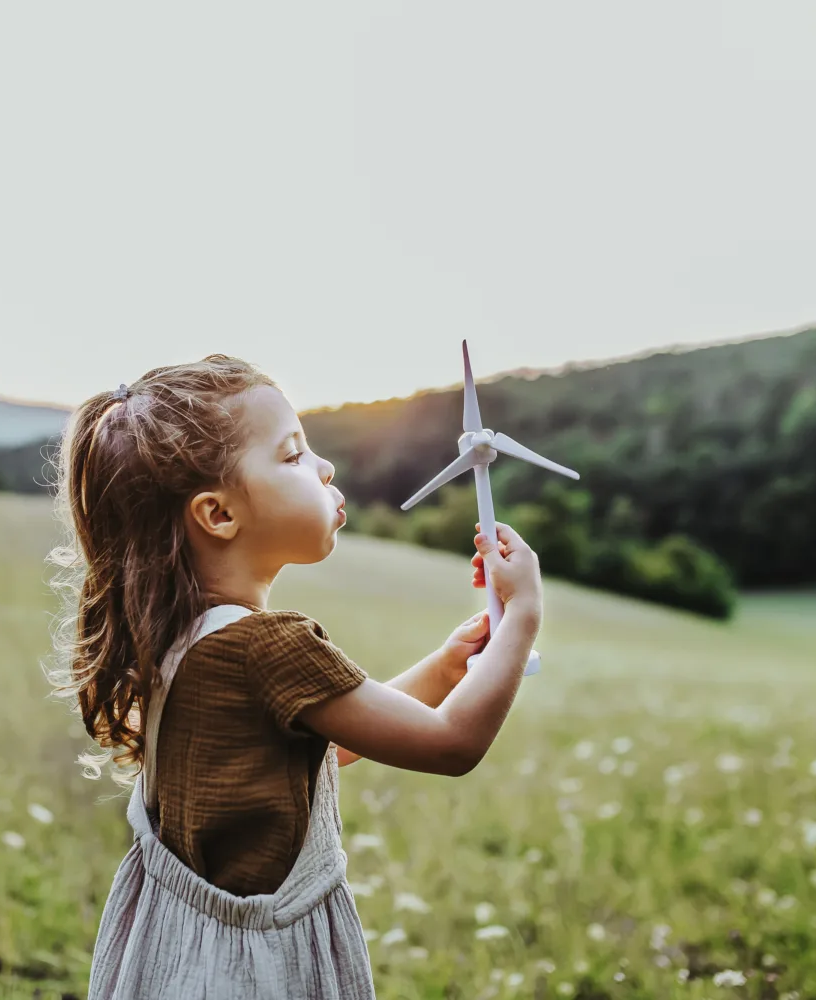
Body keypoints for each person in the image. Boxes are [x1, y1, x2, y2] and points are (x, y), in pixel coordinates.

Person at [45, 355, 543, 1000]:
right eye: (292, 455)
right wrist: (524, 616)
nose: (324, 467)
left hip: (181, 954)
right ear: (218, 515)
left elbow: (320, 750)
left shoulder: (182, 634)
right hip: (253, 969)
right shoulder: (269, 644)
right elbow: (450, 745)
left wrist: (449, 667)